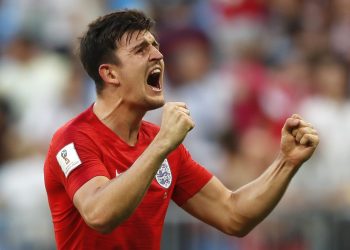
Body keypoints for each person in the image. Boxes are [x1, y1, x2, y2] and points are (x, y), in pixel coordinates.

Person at [44, 10, 319, 250]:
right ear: (110, 74)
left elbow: (233, 214)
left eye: (155, 45)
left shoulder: (160, 142)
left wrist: (286, 162)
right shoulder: (74, 138)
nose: (158, 55)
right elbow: (99, 214)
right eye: (141, 50)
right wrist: (162, 145)